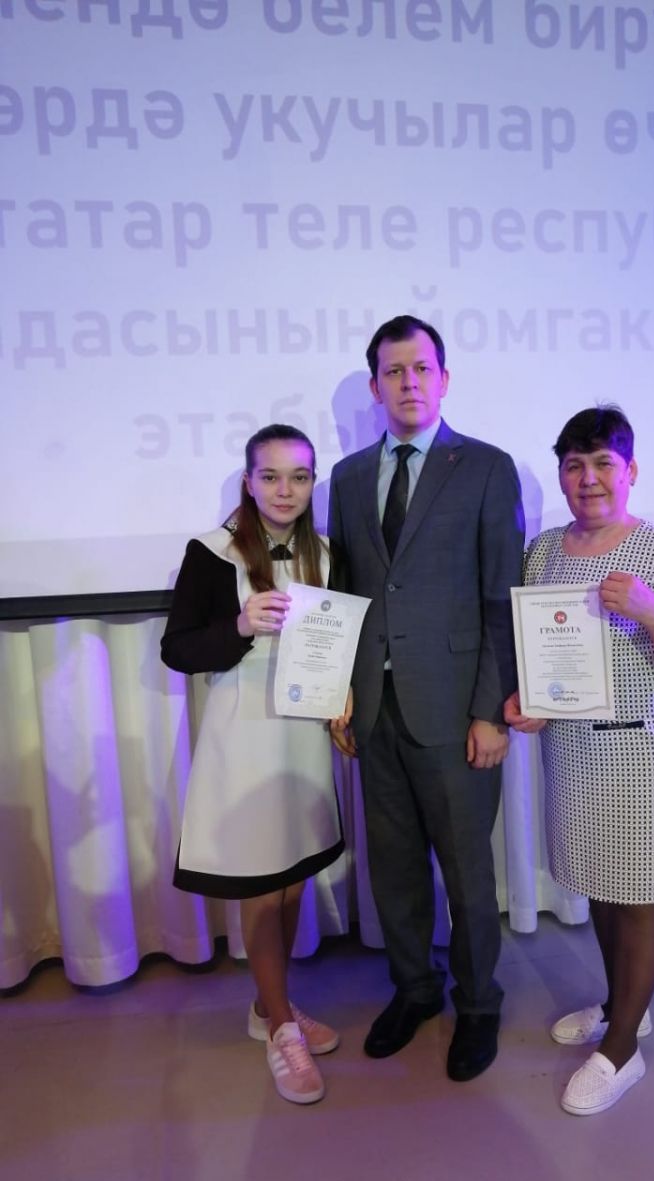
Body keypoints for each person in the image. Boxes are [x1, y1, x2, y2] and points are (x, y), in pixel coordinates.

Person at [504, 405, 654, 1115]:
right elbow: (541, 651)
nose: (589, 478)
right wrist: (528, 700)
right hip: (571, 750)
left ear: (631, 471)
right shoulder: (544, 550)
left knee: (640, 894)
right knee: (602, 884)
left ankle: (623, 1048)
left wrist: (652, 610)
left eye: (604, 463)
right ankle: (621, 1005)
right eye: (574, 465)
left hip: (641, 748)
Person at [328, 315, 524, 1081]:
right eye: (393, 371)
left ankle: (478, 1004)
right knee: (395, 868)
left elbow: (500, 597)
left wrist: (490, 710)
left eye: (421, 369)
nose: (408, 382)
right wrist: (339, 692)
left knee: (468, 874)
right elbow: (344, 593)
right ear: (375, 386)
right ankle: (415, 989)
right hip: (374, 709)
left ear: (444, 379)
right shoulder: (347, 477)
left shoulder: (487, 468)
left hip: (454, 711)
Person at [161, 424, 343, 1107]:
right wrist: (239, 626)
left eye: (299, 476)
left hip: (304, 738)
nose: (285, 489)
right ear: (248, 481)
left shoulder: (326, 552)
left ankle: (271, 1008)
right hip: (244, 738)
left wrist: (345, 699)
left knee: (292, 882)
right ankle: (281, 1030)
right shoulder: (211, 553)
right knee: (263, 888)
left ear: (313, 482)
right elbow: (177, 649)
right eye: (270, 476)